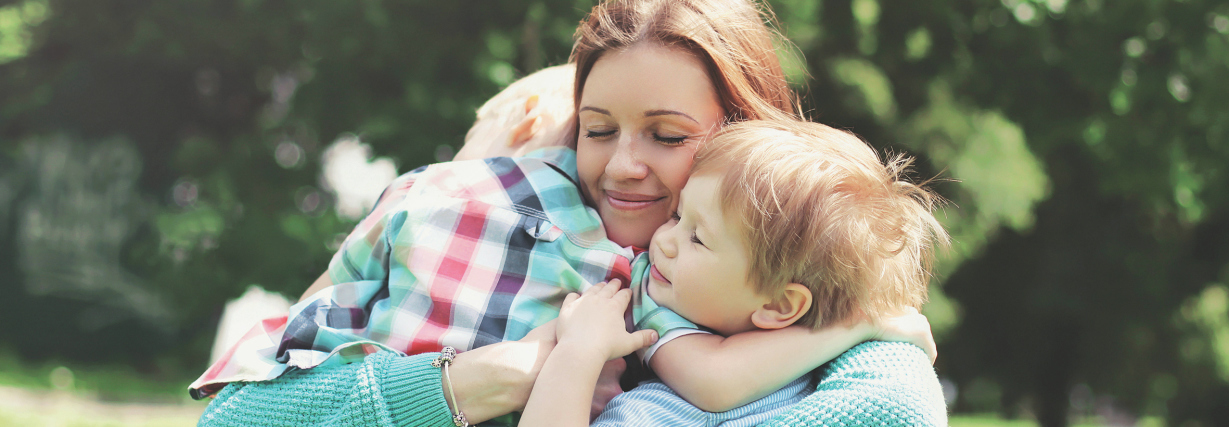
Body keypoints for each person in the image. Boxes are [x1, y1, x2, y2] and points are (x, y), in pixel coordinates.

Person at [192, 0, 945, 425]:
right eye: (597, 129)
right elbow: (231, 419)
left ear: (747, 136)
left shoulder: (813, 254)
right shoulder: (458, 212)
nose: (622, 166)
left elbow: (895, 410)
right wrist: (483, 379)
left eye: (669, 136)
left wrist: (861, 324)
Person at [518, 119, 949, 427]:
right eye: (678, 215)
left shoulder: (835, 380)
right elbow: (715, 380)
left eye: (697, 238)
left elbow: (716, 381)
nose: (663, 241)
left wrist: (577, 351)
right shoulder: (656, 294)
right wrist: (861, 324)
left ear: (780, 304)